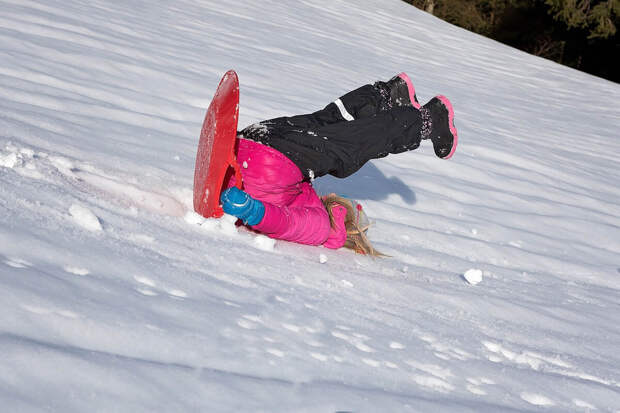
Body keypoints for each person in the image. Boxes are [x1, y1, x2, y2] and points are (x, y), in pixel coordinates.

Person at [220, 73, 458, 256]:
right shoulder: (310, 205)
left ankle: (418, 114)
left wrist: (251, 210)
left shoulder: (323, 229)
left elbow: (284, 223)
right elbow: (285, 218)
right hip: (252, 145)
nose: (335, 195)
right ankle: (389, 98)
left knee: (349, 141)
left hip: (268, 158)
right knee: (326, 126)